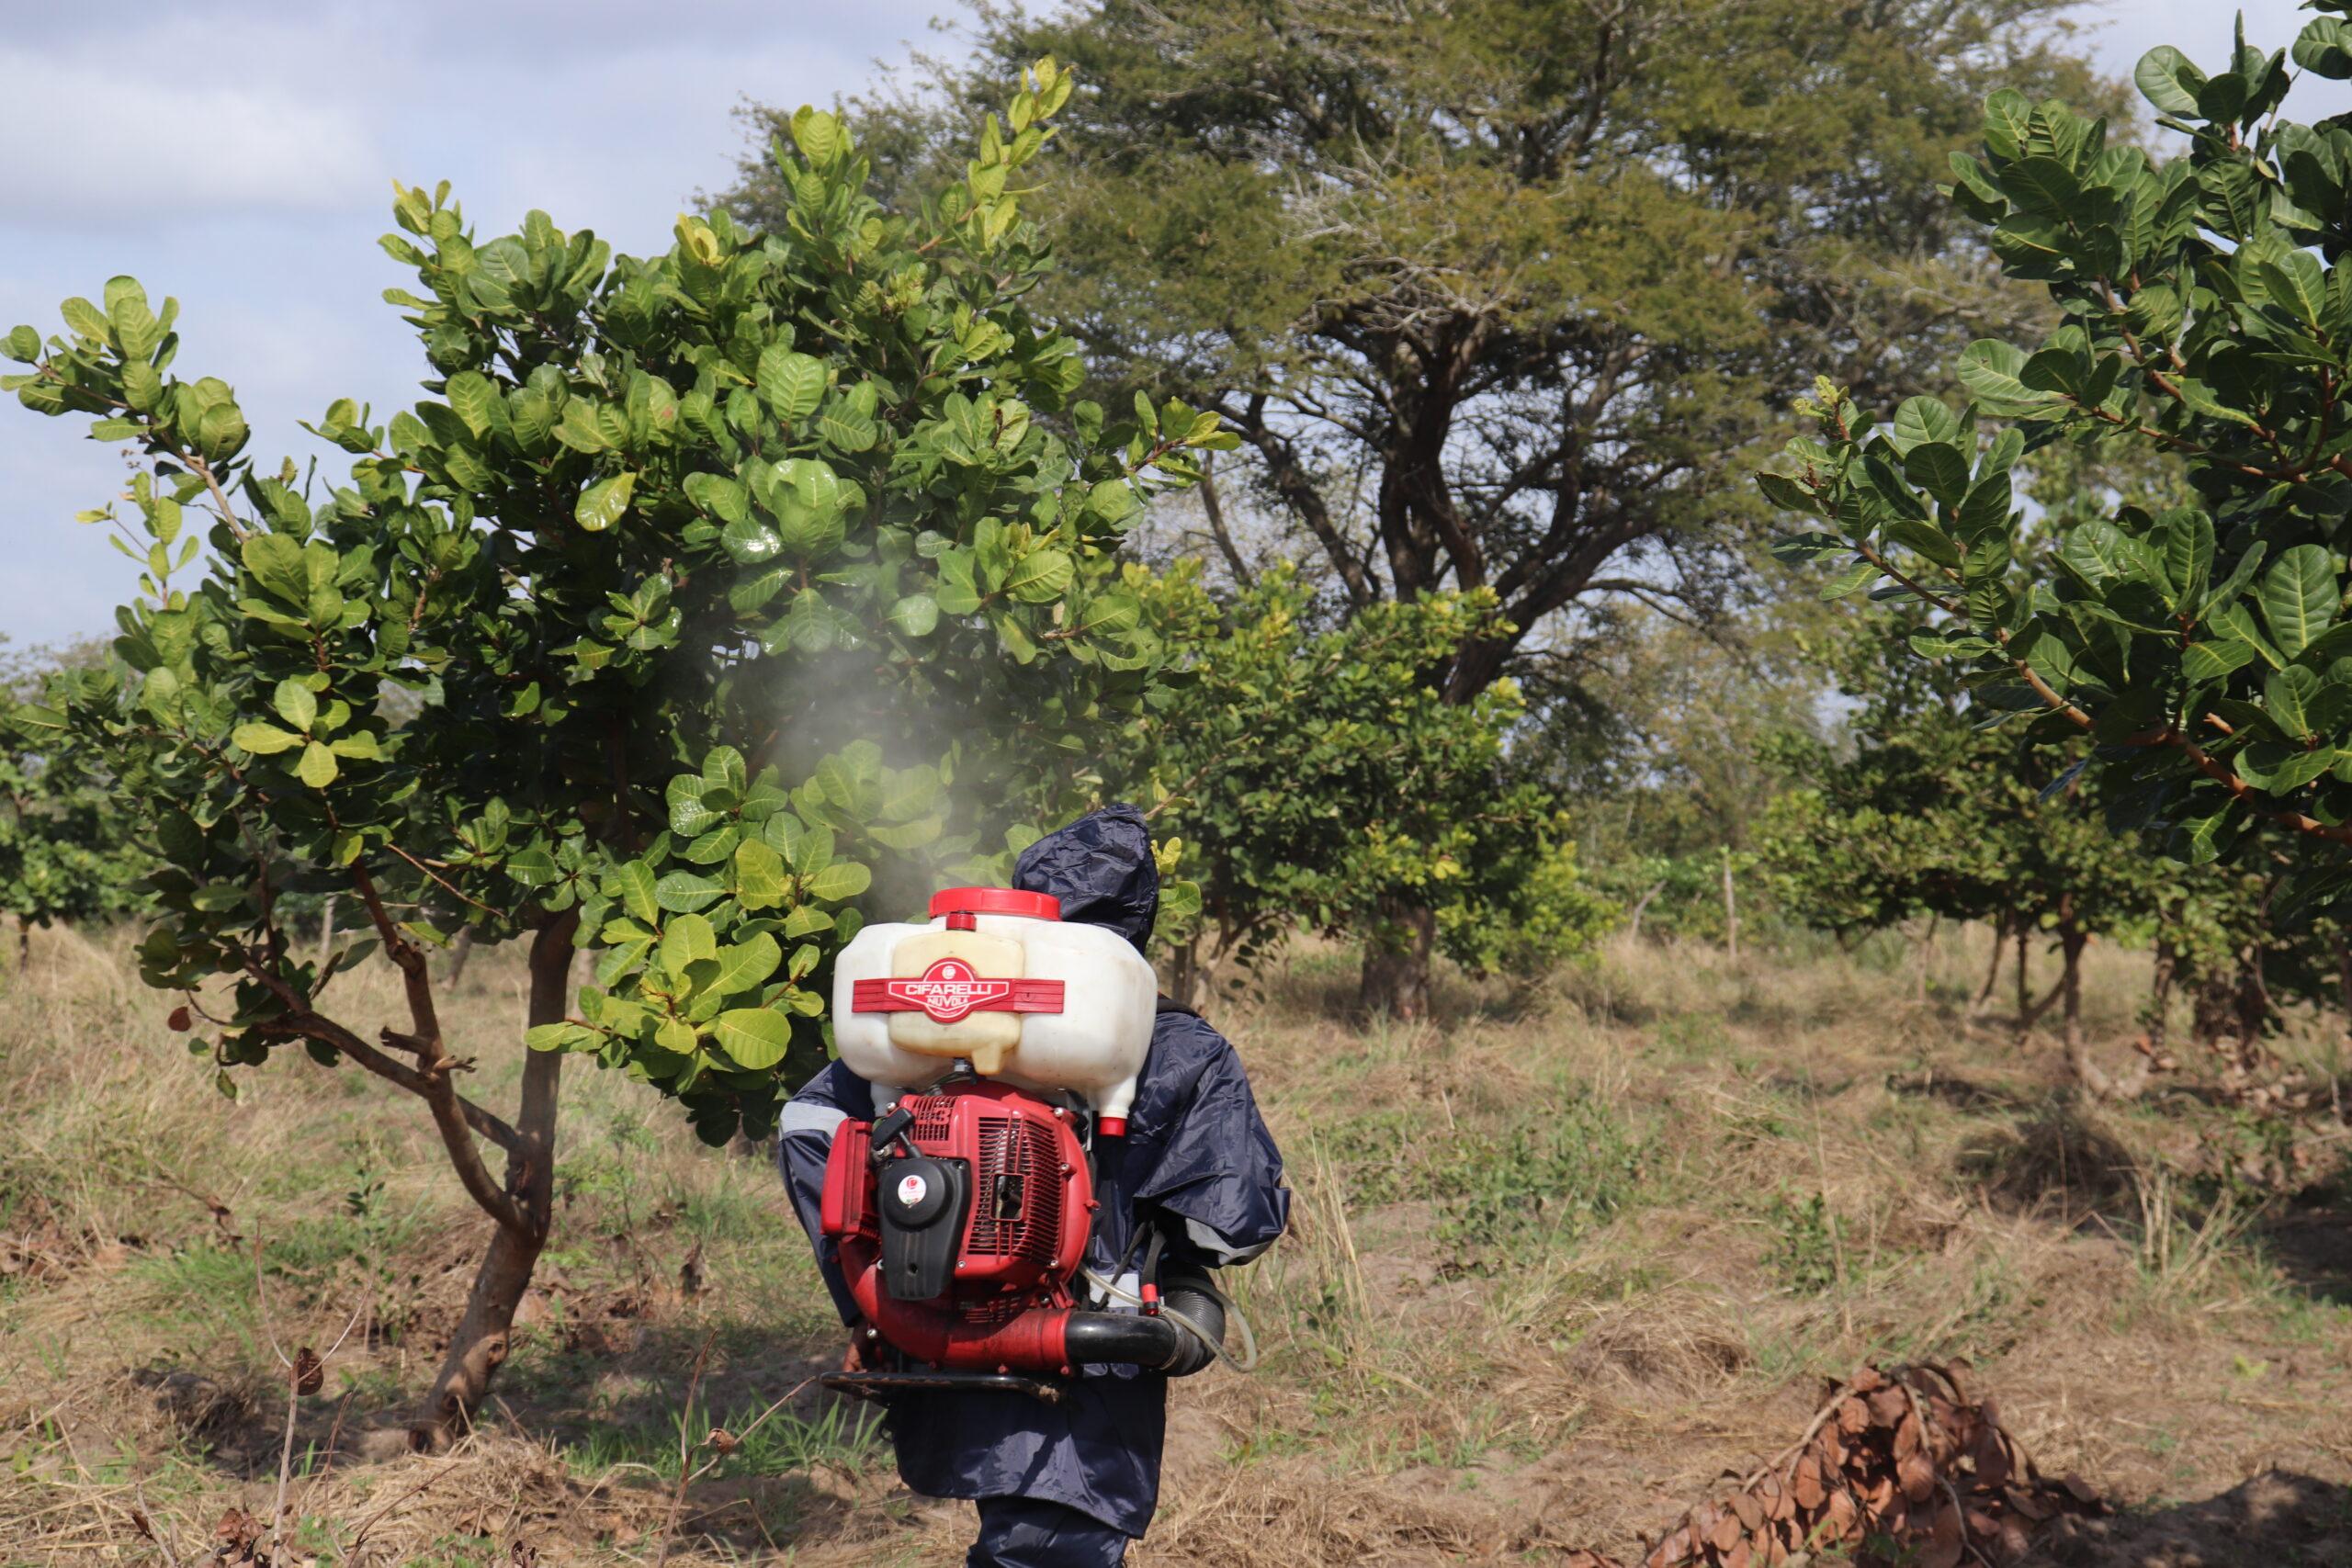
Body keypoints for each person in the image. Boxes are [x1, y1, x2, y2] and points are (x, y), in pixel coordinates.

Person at [775, 804, 1290, 1567]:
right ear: (1139, 918)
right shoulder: (1178, 1042)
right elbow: (1235, 1222)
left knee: (1014, 1533)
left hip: (935, 1329)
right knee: (1053, 1542)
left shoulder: (927, 1006)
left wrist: (869, 1291)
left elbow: (808, 1125)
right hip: (1087, 1364)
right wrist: (1174, 1265)